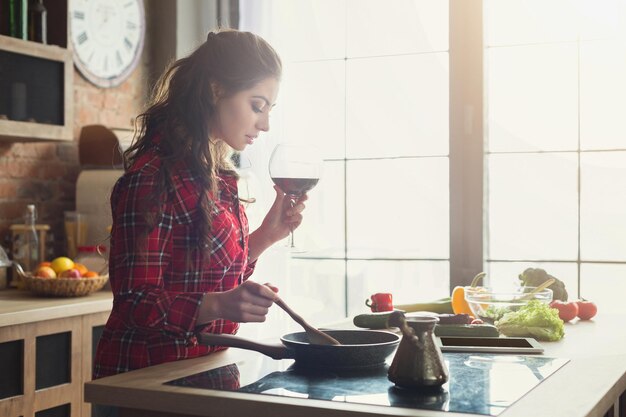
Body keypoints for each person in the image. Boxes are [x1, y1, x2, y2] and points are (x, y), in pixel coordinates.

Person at [93, 29, 305, 380]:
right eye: (257, 106)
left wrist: (267, 235)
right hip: (145, 380)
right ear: (215, 90)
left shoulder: (218, 175)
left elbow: (210, 274)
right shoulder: (152, 176)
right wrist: (220, 304)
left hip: (205, 367)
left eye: (269, 110)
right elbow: (135, 301)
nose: (265, 124)